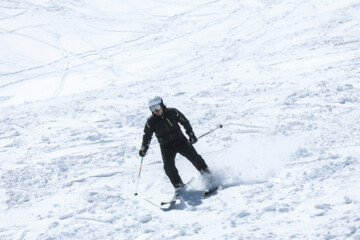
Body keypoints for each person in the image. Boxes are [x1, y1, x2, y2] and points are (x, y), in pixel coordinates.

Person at [139, 96, 212, 195]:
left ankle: (208, 176)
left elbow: (185, 122)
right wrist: (144, 148)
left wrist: (191, 135)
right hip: (166, 146)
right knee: (168, 167)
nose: (156, 110)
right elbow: (147, 136)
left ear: (162, 105)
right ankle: (178, 185)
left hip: (181, 141)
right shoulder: (151, 121)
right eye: (152, 109)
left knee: (195, 158)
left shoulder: (173, 112)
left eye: (157, 107)